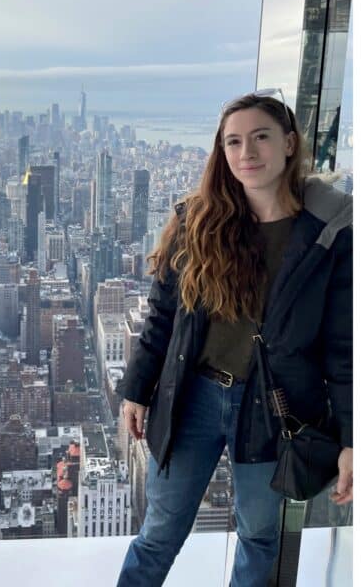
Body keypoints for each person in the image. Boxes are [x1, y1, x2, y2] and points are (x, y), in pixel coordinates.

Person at [115, 90, 353, 587]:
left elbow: (342, 345)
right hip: (194, 396)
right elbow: (163, 315)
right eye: (234, 142)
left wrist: (352, 439)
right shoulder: (198, 222)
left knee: (260, 536)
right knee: (159, 532)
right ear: (222, 153)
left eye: (261, 137)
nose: (247, 152)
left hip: (274, 408)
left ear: (289, 144)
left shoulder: (330, 234)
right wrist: (136, 390)